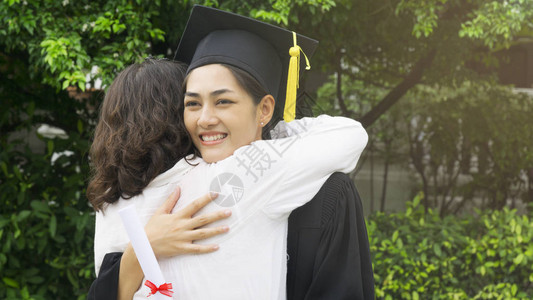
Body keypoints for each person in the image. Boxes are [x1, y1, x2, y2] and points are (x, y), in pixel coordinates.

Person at [89, 5, 373, 299]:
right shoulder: (216, 181)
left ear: (264, 109)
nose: (204, 119)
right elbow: (349, 134)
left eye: (223, 101)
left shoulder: (326, 192)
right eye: (192, 104)